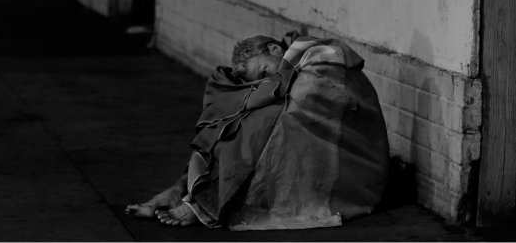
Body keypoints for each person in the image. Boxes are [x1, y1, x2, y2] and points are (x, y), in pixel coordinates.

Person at [126, 31, 390, 230]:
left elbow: (318, 95)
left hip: (352, 152)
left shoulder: (319, 54)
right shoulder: (285, 72)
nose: (268, 82)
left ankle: (202, 202)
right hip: (311, 129)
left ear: (275, 49)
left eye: (265, 70)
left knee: (256, 127)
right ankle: (180, 189)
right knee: (229, 126)